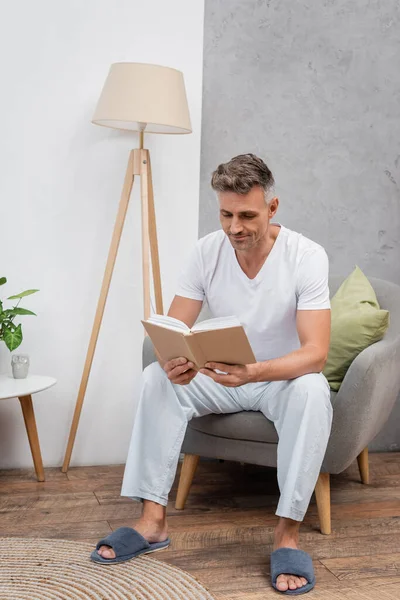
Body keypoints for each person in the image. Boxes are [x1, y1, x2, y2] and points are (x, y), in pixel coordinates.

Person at [91, 153, 333, 596]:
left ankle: (287, 533)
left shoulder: (307, 256)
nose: (235, 227)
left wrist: (256, 371)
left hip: (279, 379)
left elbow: (316, 354)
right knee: (153, 378)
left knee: (314, 391)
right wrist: (176, 362)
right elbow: (175, 327)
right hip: (221, 376)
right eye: (225, 214)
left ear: (272, 208)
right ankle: (152, 522)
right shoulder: (205, 251)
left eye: (247, 215)